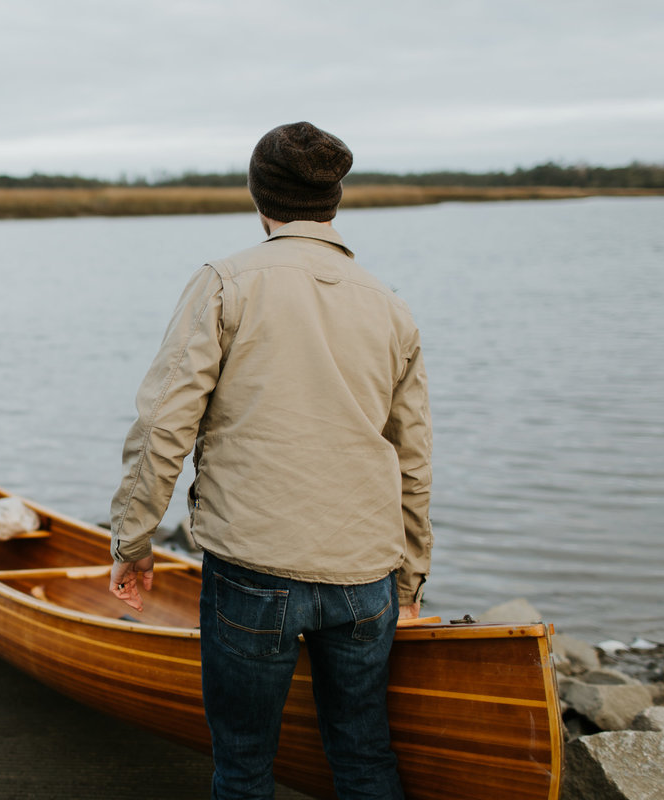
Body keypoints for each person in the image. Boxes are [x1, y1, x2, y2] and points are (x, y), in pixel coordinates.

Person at [107, 122, 432, 799]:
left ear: (259, 196)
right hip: (365, 575)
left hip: (253, 570)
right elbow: (412, 456)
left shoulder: (225, 284)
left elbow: (165, 424)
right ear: (334, 200)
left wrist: (133, 538)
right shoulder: (390, 307)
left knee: (246, 763)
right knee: (364, 754)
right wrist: (411, 578)